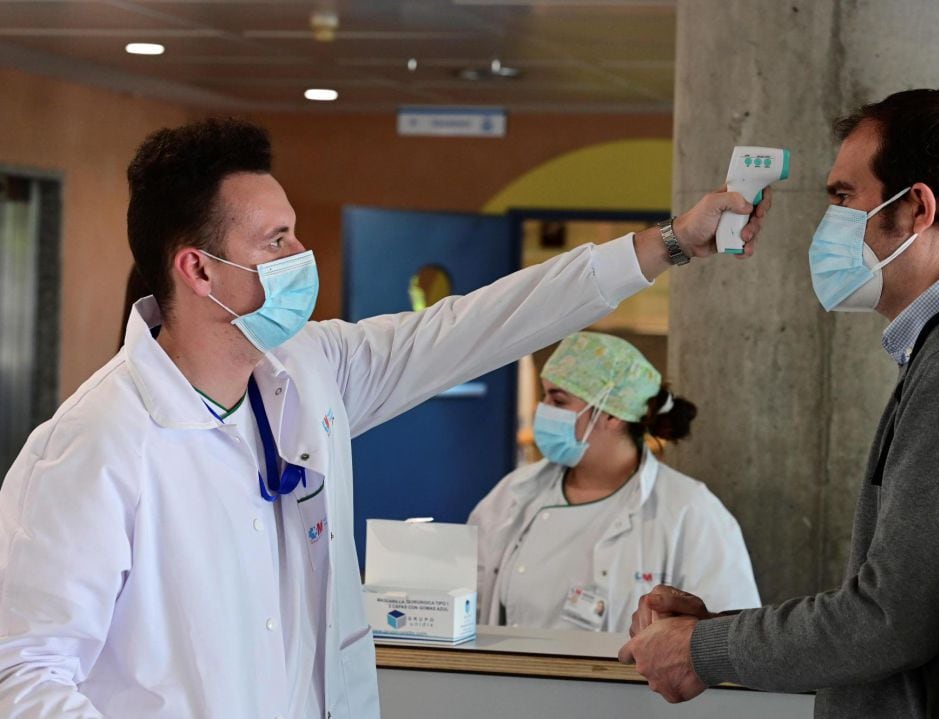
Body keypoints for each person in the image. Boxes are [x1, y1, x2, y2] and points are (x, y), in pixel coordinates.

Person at [0, 117, 771, 718]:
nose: (305, 253)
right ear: (198, 269)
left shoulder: (311, 371)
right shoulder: (94, 444)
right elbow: (23, 675)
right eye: (277, 240)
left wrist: (668, 244)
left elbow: (480, 324)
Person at [619, 88, 939, 718]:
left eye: (842, 197)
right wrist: (715, 629)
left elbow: (891, 622)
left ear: (916, 207)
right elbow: (918, 604)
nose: (825, 224)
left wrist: (706, 648)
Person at [469, 331, 760, 633]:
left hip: (627, 681)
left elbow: (729, 638)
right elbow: (466, 600)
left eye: (557, 399)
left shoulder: (691, 511)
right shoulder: (514, 493)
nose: (542, 410)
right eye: (544, 396)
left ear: (612, 414)